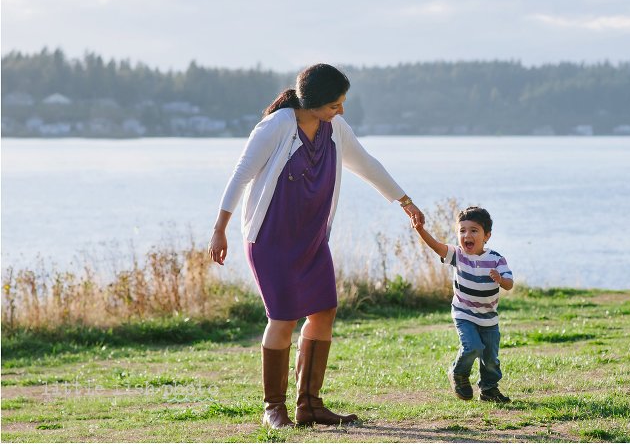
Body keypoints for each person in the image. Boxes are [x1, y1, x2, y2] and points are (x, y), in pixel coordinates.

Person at [208, 63, 424, 429]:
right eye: (334, 104)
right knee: (283, 318)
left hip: (312, 240)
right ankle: (273, 409)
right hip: (271, 240)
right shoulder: (276, 127)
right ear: (312, 102)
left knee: (324, 312)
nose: (340, 110)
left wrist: (405, 201)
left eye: (341, 103)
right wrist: (220, 229)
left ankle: (309, 404)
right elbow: (240, 175)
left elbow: (366, 164)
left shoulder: (335, 128)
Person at [413, 206, 513, 403]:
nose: (467, 235)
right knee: (472, 347)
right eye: (462, 230)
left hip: (489, 318)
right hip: (464, 313)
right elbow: (436, 246)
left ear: (487, 236)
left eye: (474, 230)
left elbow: (509, 284)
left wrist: (500, 279)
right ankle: (458, 374)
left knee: (490, 359)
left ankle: (489, 389)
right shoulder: (458, 255)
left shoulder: (496, 259)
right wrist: (420, 230)